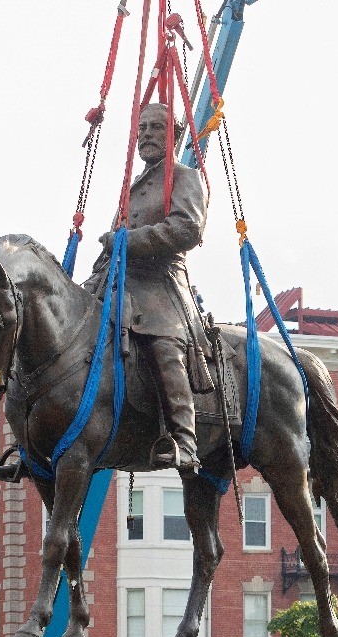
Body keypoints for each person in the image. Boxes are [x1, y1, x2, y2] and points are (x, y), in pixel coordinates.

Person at [92, 102, 213, 475]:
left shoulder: (185, 177)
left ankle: (185, 438)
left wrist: (126, 241)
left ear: (175, 135)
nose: (145, 134)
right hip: (117, 280)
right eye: (141, 128)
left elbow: (186, 229)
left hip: (160, 283)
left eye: (156, 127)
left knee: (163, 346)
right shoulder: (136, 185)